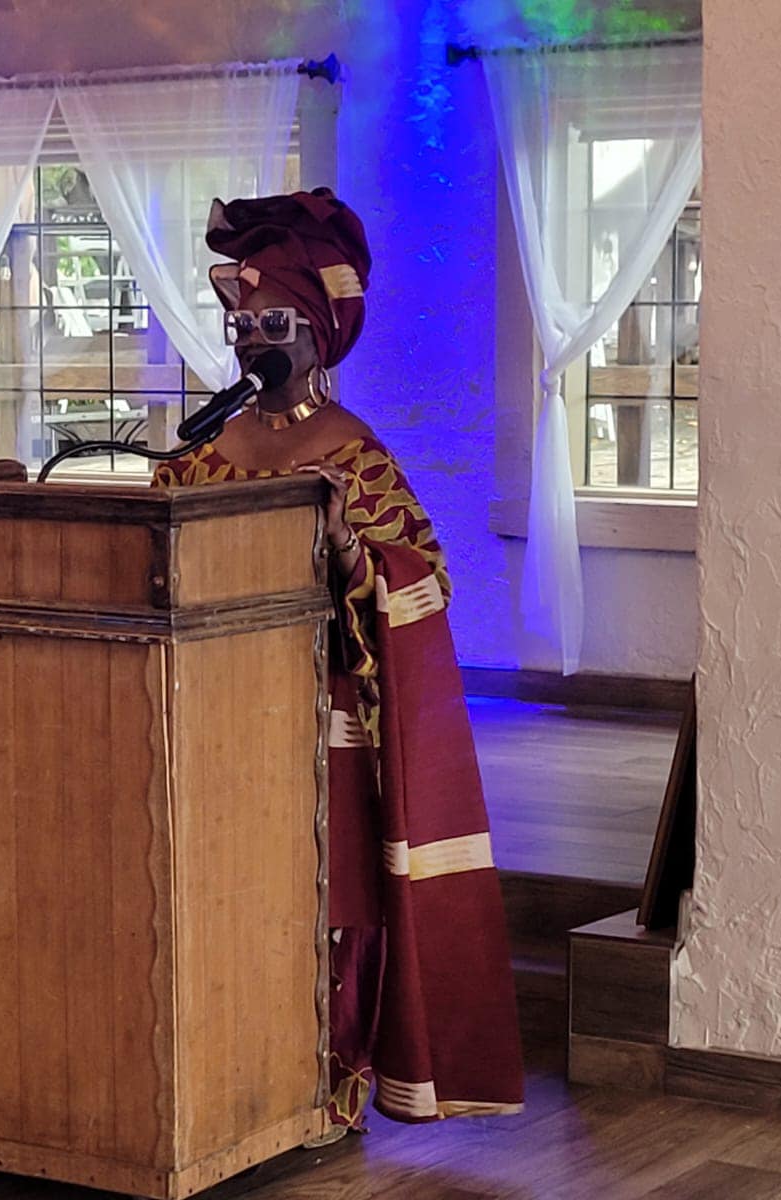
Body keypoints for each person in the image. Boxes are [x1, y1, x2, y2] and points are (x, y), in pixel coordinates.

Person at [153, 189, 524, 1130]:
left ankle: (323, 1087)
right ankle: (225, 1078)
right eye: (241, 323)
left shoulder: (353, 455)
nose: (251, 340)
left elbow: (425, 578)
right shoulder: (202, 452)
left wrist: (352, 546)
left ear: (317, 336)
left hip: (321, 715)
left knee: (324, 899)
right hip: (211, 713)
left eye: (271, 324)